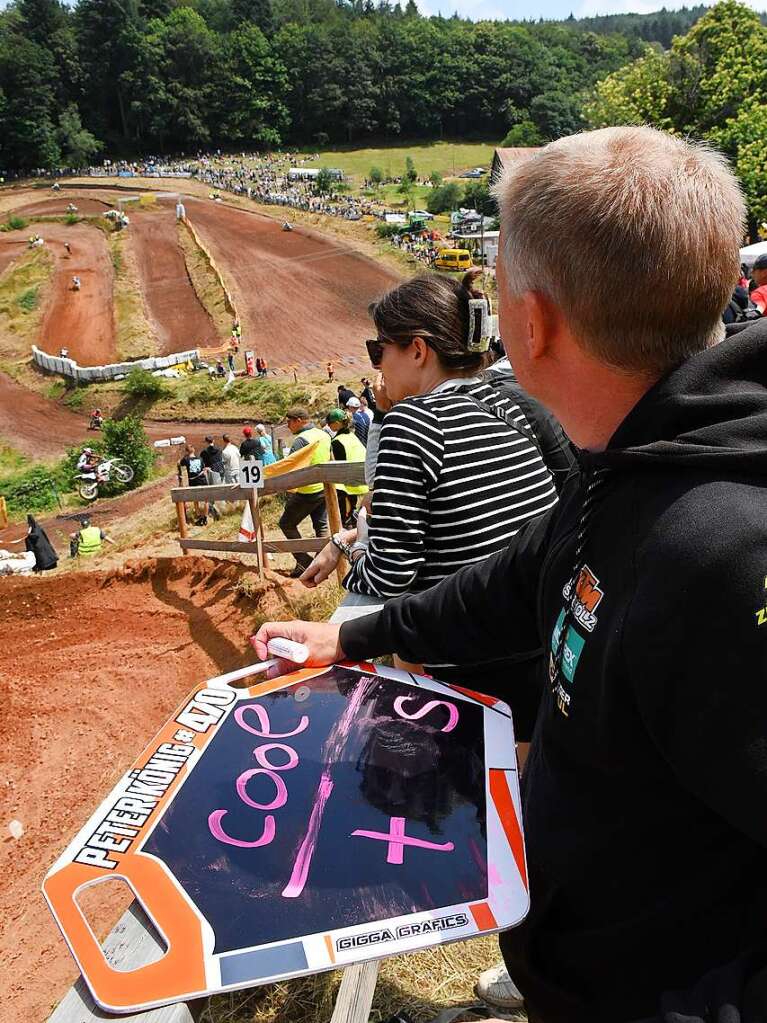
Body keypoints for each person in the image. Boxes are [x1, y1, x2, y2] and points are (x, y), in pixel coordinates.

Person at [254, 127, 767, 1023]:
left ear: (532, 323)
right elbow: (514, 576)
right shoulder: (631, 455)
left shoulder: (719, 549)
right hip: (582, 950)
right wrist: (352, 632)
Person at [278, 408, 331, 577]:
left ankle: (303, 561)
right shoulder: (324, 435)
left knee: (286, 523)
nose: (288, 425)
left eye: (289, 421)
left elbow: (291, 469)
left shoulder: (301, 440)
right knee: (321, 526)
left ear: (300, 420)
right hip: (324, 487)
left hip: (307, 490)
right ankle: (321, 563)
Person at [326, 408, 368, 526]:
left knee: (344, 519)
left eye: (330, 423)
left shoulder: (337, 441)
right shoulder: (352, 436)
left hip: (347, 486)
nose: (328, 425)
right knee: (352, 514)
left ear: (338, 423)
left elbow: (339, 468)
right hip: (361, 480)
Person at [177, 444, 207, 523]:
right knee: (206, 499)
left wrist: (185, 455)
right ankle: (205, 517)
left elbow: (179, 463)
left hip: (193, 481)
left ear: (187, 451)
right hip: (203, 480)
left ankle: (199, 517)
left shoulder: (185, 459)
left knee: (195, 499)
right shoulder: (200, 458)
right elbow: (203, 468)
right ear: (194, 450)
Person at [199, 436, 223, 521]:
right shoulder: (219, 450)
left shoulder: (204, 452)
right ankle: (222, 510)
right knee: (220, 491)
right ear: (213, 441)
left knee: (211, 493)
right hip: (219, 472)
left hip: (210, 473)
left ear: (206, 442)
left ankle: (213, 512)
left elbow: (202, 464)